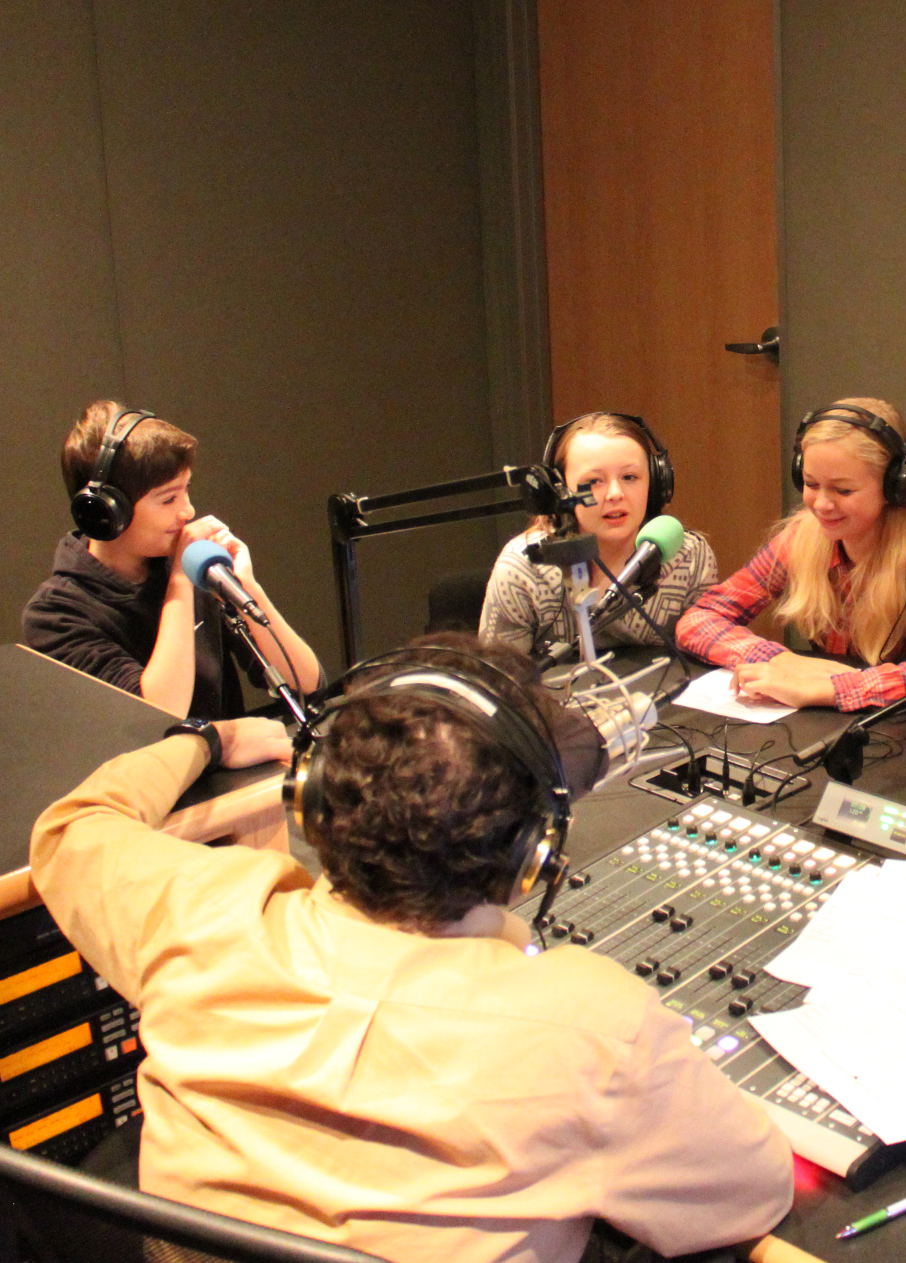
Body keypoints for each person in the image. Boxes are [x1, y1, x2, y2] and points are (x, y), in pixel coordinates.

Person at [29, 636, 794, 1263]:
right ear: (532, 856)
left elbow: (72, 826)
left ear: (311, 794)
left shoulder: (191, 908)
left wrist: (206, 738)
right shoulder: (598, 1028)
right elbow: (750, 1194)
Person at [22, 400, 322, 719]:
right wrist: (181, 579)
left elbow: (306, 683)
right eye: (168, 499)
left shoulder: (196, 570)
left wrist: (247, 585)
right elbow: (158, 719)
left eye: (186, 491)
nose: (188, 511)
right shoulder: (55, 616)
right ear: (107, 512)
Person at [677, 398, 906, 710]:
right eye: (811, 484)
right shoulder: (802, 534)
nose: (821, 505)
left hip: (905, 734)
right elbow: (700, 619)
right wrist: (780, 660)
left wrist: (825, 690)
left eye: (843, 490)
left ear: (895, 486)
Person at [481, 411, 717, 659]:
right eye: (594, 481)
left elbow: (706, 661)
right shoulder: (524, 566)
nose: (615, 493)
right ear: (560, 492)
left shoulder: (687, 555)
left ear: (656, 483)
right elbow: (498, 680)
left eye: (630, 477)